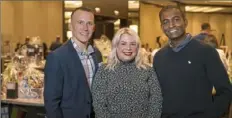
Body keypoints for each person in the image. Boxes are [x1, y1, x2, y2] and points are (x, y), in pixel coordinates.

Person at [153, 5, 232, 118]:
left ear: (185, 22)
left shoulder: (206, 52)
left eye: (176, 19)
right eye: (166, 22)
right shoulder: (159, 57)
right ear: (162, 27)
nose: (171, 25)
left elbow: (225, 91)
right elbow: (157, 95)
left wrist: (210, 115)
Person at [44, 7, 102, 118]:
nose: (85, 28)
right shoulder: (57, 57)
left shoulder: (96, 54)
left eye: (89, 23)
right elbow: (51, 103)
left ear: (93, 27)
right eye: (80, 22)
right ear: (70, 26)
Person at [92, 28, 162, 118]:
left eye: (132, 44)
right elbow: (99, 105)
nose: (128, 48)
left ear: (137, 47)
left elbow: (156, 101)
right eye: (123, 43)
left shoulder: (148, 71)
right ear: (116, 46)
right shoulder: (104, 71)